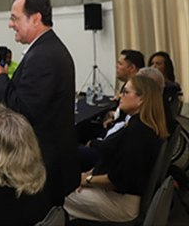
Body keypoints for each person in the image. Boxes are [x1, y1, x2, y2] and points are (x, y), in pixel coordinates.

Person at [0, 0, 79, 206]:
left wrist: (0, 78)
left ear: (35, 18)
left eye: (14, 18)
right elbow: (30, 98)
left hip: (45, 164)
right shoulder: (46, 48)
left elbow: (25, 112)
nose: (10, 25)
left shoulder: (43, 56)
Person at [65, 75, 169, 222]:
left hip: (120, 204)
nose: (120, 95)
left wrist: (86, 180)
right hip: (117, 195)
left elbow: (118, 181)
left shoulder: (138, 133)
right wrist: (88, 176)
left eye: (125, 92)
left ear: (141, 99)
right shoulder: (140, 126)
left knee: (55, 194)